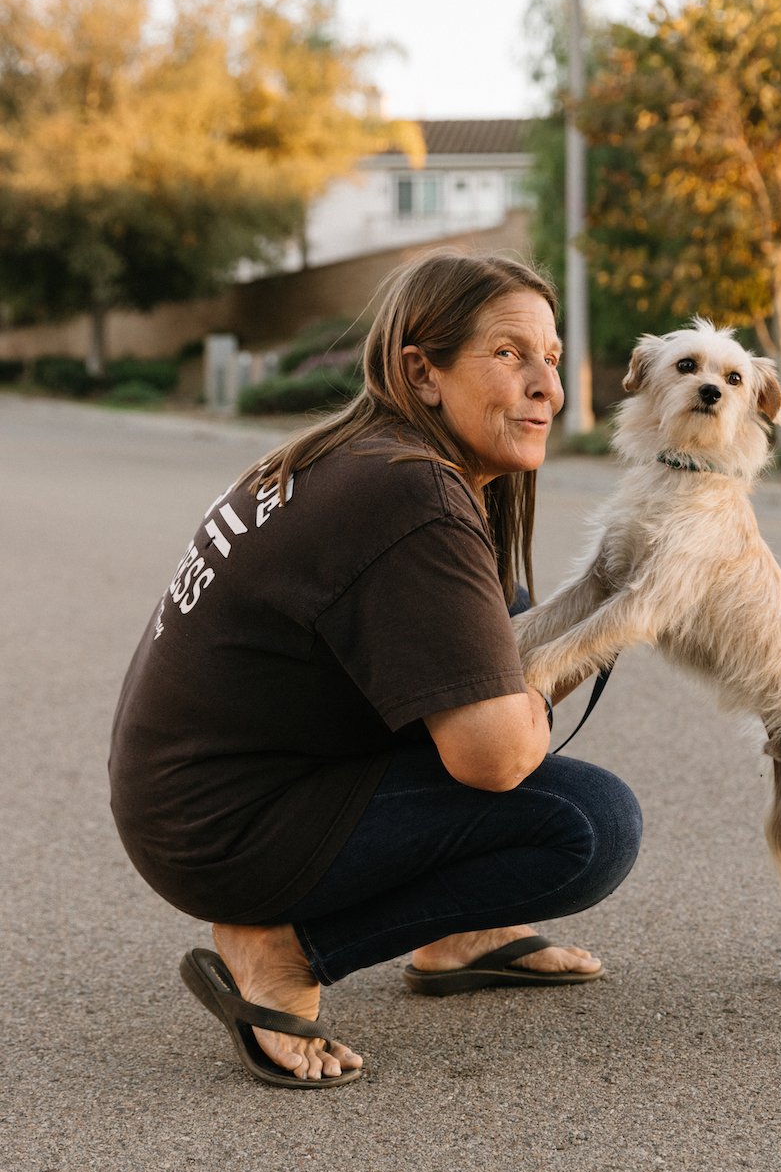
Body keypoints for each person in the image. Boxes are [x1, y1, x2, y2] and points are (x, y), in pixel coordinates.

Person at [109, 250, 643, 1089]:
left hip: (194, 796)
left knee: (506, 604)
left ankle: (455, 935)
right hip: (225, 833)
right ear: (420, 372)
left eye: (551, 352)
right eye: (509, 354)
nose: (549, 383)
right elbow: (495, 756)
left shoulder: (364, 456)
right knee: (590, 825)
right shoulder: (411, 495)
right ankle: (282, 951)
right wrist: (626, 618)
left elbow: (506, 645)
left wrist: (618, 590)